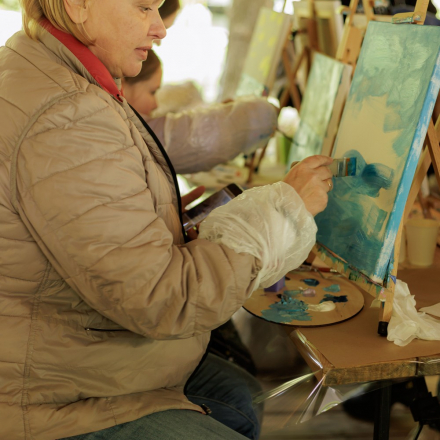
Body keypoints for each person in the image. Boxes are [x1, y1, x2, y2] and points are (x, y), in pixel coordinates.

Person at [0, 1, 334, 440]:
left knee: (239, 395)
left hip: (61, 350)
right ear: (78, 5)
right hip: (47, 396)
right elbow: (164, 300)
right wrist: (283, 212)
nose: (160, 29)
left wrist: (171, 225)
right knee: (238, 400)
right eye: (143, 8)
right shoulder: (65, 115)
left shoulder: (40, 65)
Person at [122, 50, 278, 174]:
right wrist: (266, 113)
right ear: (122, 83)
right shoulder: (131, 134)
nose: (155, 104)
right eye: (152, 92)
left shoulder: (125, 125)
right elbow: (197, 138)